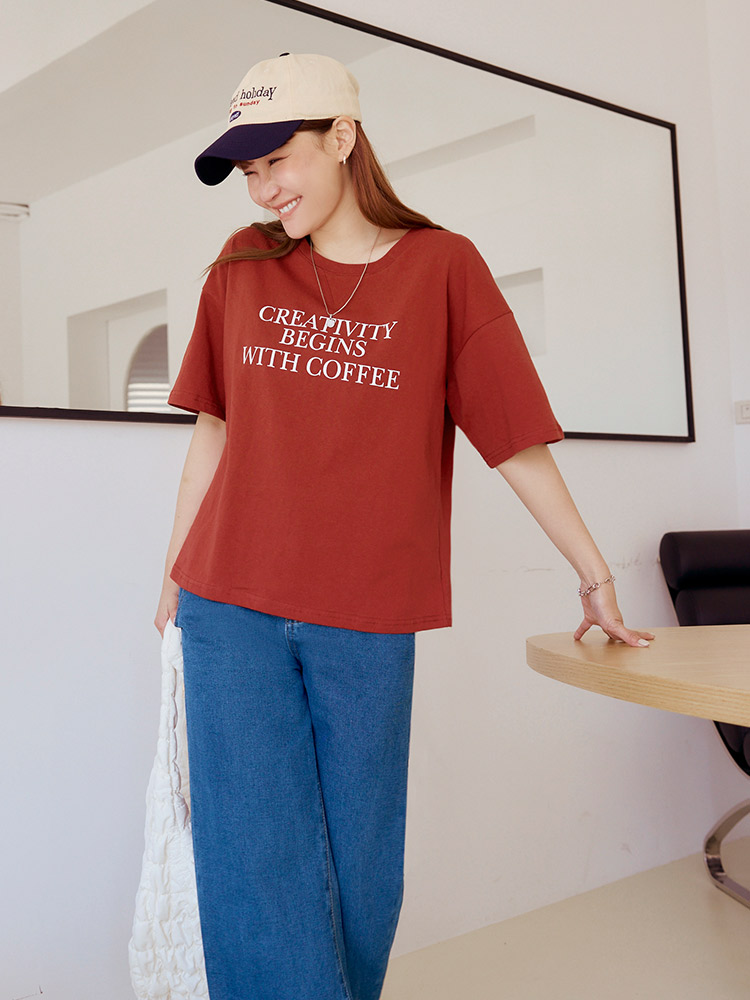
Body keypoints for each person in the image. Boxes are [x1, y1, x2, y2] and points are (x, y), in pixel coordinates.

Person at [154, 52, 654, 1000]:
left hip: (368, 612)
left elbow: (513, 439)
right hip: (230, 604)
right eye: (248, 170)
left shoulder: (443, 267)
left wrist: (593, 573)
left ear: (343, 136)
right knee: (252, 864)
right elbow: (211, 434)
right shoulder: (243, 263)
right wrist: (174, 573)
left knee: (363, 874)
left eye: (277, 159)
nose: (263, 188)